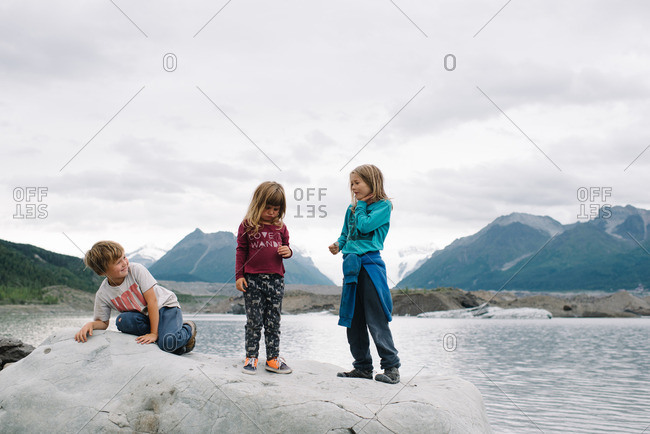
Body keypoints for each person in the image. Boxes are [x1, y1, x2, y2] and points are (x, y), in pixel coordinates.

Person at [329, 164, 401, 384]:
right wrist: (338, 244)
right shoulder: (351, 210)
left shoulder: (383, 206)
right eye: (351, 183)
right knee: (353, 319)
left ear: (372, 182)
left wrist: (359, 206)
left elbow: (365, 225)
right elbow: (346, 234)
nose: (353, 187)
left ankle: (391, 368)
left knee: (376, 318)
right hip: (350, 266)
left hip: (370, 265)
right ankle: (362, 366)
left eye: (357, 182)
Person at [74, 241, 197, 355]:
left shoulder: (136, 270)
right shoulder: (103, 293)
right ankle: (167, 336)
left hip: (165, 307)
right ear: (103, 271)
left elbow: (152, 301)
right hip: (144, 317)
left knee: (167, 344)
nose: (124, 263)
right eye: (118, 262)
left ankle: (188, 329)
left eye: (124, 257)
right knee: (123, 320)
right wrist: (91, 324)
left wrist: (154, 334)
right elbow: (103, 323)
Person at [236, 181, 293, 375]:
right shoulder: (247, 225)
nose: (271, 212)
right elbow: (241, 251)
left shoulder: (281, 228)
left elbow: (286, 247)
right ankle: (251, 357)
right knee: (254, 321)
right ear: (257, 205)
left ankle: (273, 358)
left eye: (276, 209)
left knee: (273, 321)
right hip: (252, 280)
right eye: (267, 208)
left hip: (276, 280)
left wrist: (288, 251)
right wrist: (239, 276)